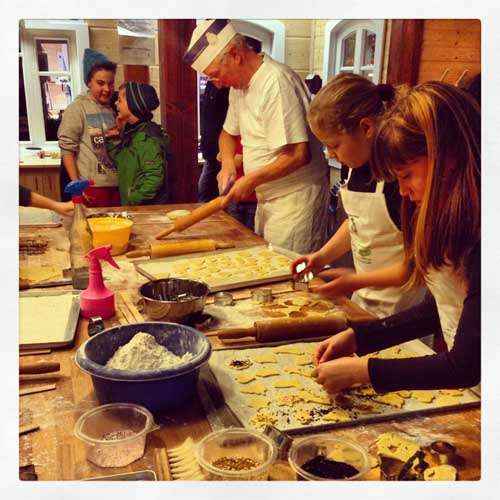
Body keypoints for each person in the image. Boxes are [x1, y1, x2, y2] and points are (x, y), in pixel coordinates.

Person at [312, 81, 480, 394]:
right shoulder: (449, 219)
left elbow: (467, 364)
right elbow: (437, 308)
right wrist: (362, 337)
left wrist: (364, 371)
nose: (402, 191)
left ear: (447, 158)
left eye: (406, 175)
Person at [184, 19, 330, 254]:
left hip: (294, 201)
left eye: (215, 74)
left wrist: (250, 180)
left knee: (288, 272)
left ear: (235, 55)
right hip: (269, 199)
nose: (217, 84)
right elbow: (227, 134)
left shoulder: (276, 81)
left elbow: (298, 154)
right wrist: (229, 164)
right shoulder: (239, 88)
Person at [292, 73, 424, 319]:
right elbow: (357, 223)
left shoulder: (401, 183)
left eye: (335, 145)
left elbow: (414, 266)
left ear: (366, 128)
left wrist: (354, 280)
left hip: (400, 312)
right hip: (362, 302)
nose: (330, 154)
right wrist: (321, 257)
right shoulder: (354, 167)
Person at [58, 48, 121, 207]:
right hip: (91, 188)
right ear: (88, 82)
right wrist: (77, 185)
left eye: (110, 83)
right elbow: (67, 149)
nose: (107, 89)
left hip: (116, 185)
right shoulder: (78, 108)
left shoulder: (115, 108)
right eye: (100, 83)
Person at [105, 82, 170, 206]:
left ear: (132, 105)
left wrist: (132, 198)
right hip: (134, 208)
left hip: (144, 211)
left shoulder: (146, 138)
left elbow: (154, 178)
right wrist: (114, 136)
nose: (115, 103)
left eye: (120, 100)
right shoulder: (132, 133)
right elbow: (120, 160)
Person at [198, 79, 230, 202]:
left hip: (224, 153)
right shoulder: (210, 85)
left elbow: (229, 127)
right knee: (204, 194)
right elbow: (207, 120)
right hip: (210, 153)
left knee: (222, 197)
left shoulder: (232, 89)